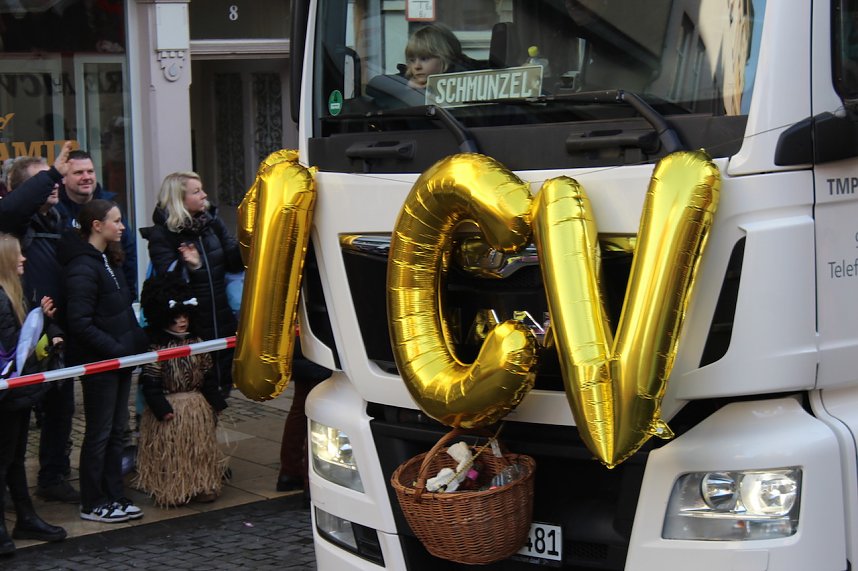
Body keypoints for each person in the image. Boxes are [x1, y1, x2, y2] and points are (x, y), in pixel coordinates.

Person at [57, 199, 148, 523]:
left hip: (118, 361)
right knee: (99, 433)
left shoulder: (109, 259)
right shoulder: (83, 266)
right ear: (97, 225)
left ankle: (114, 494)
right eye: (116, 220)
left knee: (116, 431)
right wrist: (117, 351)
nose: (122, 226)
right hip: (101, 365)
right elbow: (79, 322)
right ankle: (93, 500)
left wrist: (136, 346)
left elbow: (121, 311)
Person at [0, 144, 81, 504]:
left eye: (54, 180)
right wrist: (52, 172)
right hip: (18, 335)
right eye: (44, 181)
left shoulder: (60, 218)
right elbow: (13, 207)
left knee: (60, 408)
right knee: (14, 423)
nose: (54, 184)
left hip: (55, 331)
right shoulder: (15, 222)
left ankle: (53, 476)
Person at [140, 172, 243, 397]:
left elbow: (234, 263)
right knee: (196, 390)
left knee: (221, 388)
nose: (204, 195)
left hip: (221, 320)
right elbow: (168, 284)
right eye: (196, 191)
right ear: (179, 199)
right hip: (190, 327)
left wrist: (249, 240)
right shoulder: (163, 234)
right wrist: (191, 267)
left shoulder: (212, 223)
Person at [134, 272, 228, 507]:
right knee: (174, 453)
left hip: (195, 406)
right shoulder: (157, 347)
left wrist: (216, 402)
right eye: (176, 318)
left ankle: (201, 485)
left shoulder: (197, 343)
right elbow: (150, 381)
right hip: (171, 407)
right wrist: (160, 408)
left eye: (185, 316)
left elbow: (207, 375)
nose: (182, 322)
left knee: (198, 452)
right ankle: (174, 489)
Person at [0, 233, 66, 555]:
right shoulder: (3, 298)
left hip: (16, 393)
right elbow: (15, 350)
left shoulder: (15, 293)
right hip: (9, 393)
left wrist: (44, 321)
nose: (24, 258)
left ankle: (25, 518)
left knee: (13, 459)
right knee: (5, 459)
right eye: (18, 255)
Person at [55, 149, 137, 293]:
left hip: (111, 295)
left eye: (90, 171)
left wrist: (126, 293)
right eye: (78, 173)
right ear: (63, 178)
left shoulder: (110, 205)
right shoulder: (55, 209)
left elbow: (128, 251)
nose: (86, 177)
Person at [276, 336, 332, 498]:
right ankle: (310, 482)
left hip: (301, 340)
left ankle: (290, 472)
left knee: (300, 408)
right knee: (319, 414)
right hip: (322, 342)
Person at [404, 23, 478, 89]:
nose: (416, 66)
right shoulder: (403, 81)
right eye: (412, 60)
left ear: (445, 57)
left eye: (424, 59)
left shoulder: (465, 83)